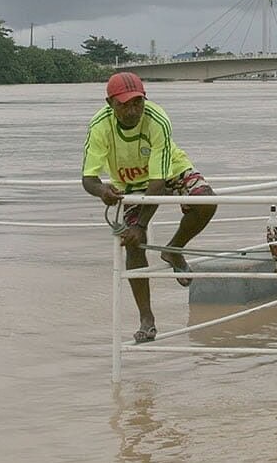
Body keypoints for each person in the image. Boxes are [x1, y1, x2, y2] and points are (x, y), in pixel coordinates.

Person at [82, 72, 217, 343]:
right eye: (124, 105)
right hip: (129, 184)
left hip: (169, 171)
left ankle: (174, 249)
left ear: (145, 100)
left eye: (137, 103)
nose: (132, 111)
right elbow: (88, 178)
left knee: (205, 200)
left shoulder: (157, 120)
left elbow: (157, 181)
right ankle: (147, 318)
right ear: (110, 103)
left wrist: (142, 225)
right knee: (132, 243)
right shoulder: (100, 125)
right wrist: (103, 191)